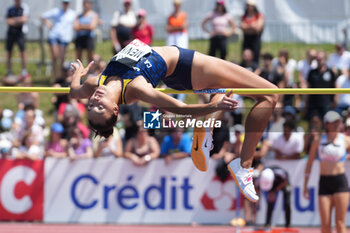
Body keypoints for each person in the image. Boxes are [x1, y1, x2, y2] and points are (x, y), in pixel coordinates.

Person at [69, 38, 279, 202]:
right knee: (270, 94)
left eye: (92, 105)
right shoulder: (135, 88)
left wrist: (78, 73)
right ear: (115, 109)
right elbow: (180, 108)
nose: (95, 100)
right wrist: (212, 106)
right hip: (187, 65)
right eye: (100, 107)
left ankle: (206, 128)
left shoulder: (94, 83)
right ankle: (244, 165)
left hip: (176, 69)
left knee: (221, 87)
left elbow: (74, 92)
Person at [304, 111, 350, 233]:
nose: (335, 125)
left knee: (340, 224)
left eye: (337, 122)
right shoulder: (318, 140)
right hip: (324, 182)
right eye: (332, 122)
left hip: (340, 182)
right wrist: (305, 185)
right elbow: (309, 163)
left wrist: (347, 157)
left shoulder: (345, 140)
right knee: (325, 225)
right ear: (326, 124)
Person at [41, 0, 76, 80]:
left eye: (66, 3)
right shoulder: (56, 11)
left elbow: (78, 20)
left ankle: (61, 77)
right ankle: (54, 76)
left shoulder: (72, 14)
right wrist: (49, 24)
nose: (65, 4)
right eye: (64, 3)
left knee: (62, 58)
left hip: (64, 38)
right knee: (55, 56)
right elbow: (43, 16)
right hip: (54, 36)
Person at [5, 0, 30, 79]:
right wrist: (18, 20)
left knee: (23, 52)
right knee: (9, 52)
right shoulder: (10, 9)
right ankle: (9, 71)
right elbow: (8, 21)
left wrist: (14, 20)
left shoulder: (24, 8)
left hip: (20, 34)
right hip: (11, 33)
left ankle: (24, 72)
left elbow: (24, 19)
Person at [240, 0, 264, 64]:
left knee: (255, 57)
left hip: (255, 39)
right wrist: (252, 25)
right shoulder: (244, 16)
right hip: (246, 39)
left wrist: (247, 26)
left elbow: (258, 27)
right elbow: (242, 27)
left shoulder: (259, 16)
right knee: (245, 56)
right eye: (248, 5)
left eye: (250, 6)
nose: (249, 7)